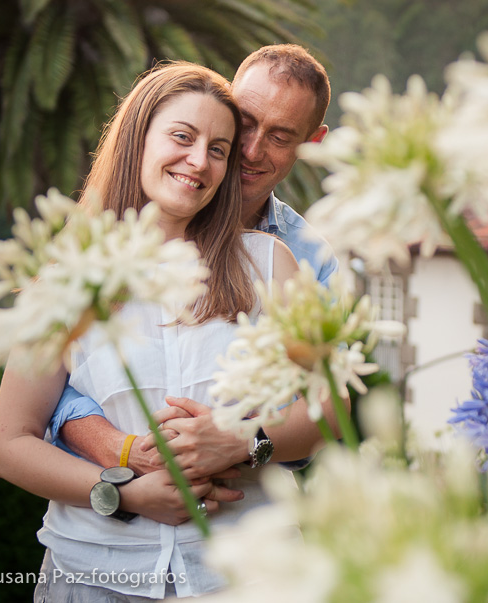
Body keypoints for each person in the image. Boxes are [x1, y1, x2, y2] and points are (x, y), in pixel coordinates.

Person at [0, 61, 335, 601]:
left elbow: (330, 408)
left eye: (219, 149)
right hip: (93, 576)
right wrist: (124, 493)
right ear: (137, 138)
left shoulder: (273, 263)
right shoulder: (67, 281)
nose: (199, 161)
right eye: (181, 136)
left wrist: (244, 441)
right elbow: (9, 443)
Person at [53, 44, 339, 477]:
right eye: (244, 123)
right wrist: (122, 451)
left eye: (280, 137)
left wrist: (240, 443)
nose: (252, 150)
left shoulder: (305, 261)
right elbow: (53, 392)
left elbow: (325, 409)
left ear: (312, 144)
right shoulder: (100, 247)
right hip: (108, 519)